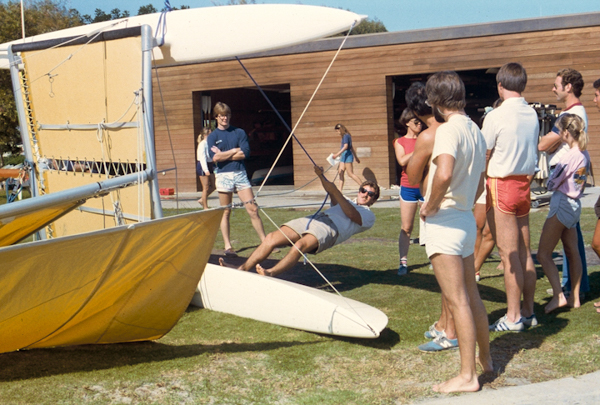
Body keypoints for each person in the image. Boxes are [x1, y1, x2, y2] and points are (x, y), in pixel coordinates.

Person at [420, 71, 492, 392]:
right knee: (471, 297)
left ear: (435, 101)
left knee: (457, 299)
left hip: (446, 220)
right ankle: (485, 361)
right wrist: (466, 202)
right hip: (463, 217)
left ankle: (467, 376)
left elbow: (444, 172)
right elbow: (480, 180)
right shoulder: (475, 130)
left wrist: (431, 204)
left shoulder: (448, 130)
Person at [219, 165, 379, 276]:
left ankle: (270, 273)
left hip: (331, 229)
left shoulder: (368, 215)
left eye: (370, 194)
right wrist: (320, 176)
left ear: (373, 200)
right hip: (318, 218)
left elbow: (352, 215)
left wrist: (336, 191)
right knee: (271, 238)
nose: (365, 194)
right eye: (363, 190)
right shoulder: (347, 200)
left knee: (300, 245)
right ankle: (242, 269)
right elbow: (333, 196)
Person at [482, 63, 540, 332]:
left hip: (501, 184)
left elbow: (484, 151)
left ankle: (513, 316)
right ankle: (527, 311)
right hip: (524, 185)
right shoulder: (532, 114)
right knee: (525, 251)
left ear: (500, 86)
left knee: (508, 254)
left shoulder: (495, 115)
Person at [405, 81, 458, 352]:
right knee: (451, 274)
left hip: (438, 207)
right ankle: (443, 322)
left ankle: (449, 330)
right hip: (462, 206)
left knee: (445, 276)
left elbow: (412, 178)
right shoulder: (459, 127)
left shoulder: (429, 136)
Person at [538, 68, 590, 299]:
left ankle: (569, 289)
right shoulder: (577, 113)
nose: (553, 88)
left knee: (551, 251)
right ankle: (576, 291)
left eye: (556, 85)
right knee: (573, 246)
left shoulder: (571, 115)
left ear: (568, 87)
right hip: (573, 195)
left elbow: (544, 145)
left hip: (563, 193)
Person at [207, 102, 267, 256]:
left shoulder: (239, 132)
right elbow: (215, 158)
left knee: (253, 209)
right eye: (221, 116)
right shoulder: (213, 136)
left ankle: (265, 242)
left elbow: (245, 153)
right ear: (216, 117)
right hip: (223, 176)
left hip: (240, 174)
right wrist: (234, 150)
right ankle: (228, 247)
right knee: (225, 212)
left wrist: (224, 154)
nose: (224, 118)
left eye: (226, 115)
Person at [394, 108, 424, 275]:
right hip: (408, 188)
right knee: (406, 227)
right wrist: (420, 150)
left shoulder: (425, 138)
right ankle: (403, 262)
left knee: (431, 224)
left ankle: (436, 259)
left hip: (425, 187)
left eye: (420, 121)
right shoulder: (399, 142)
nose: (419, 124)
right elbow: (402, 160)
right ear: (407, 123)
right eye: (416, 122)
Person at [332, 123, 363, 191]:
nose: (337, 133)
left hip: (347, 156)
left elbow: (346, 147)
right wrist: (356, 157)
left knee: (350, 174)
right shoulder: (345, 136)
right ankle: (339, 190)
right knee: (340, 172)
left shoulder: (346, 136)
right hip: (343, 156)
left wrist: (337, 154)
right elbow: (351, 147)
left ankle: (362, 186)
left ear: (340, 130)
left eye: (337, 131)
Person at [196, 127, 216, 210]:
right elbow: (202, 158)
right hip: (203, 166)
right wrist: (206, 170)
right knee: (206, 187)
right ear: (205, 135)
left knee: (214, 186)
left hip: (210, 164)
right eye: (210, 133)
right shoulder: (202, 144)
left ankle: (202, 200)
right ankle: (205, 206)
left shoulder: (210, 143)